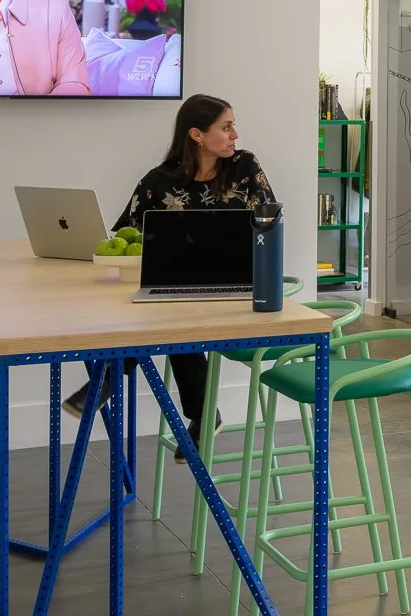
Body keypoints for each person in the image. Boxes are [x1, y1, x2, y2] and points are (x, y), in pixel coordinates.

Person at [62, 94, 277, 455]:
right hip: (178, 289)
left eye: (232, 126)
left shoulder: (244, 166)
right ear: (196, 134)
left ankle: (108, 381)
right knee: (169, 310)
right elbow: (125, 236)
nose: (234, 135)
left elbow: (270, 223)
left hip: (238, 284)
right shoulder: (157, 181)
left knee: (170, 315)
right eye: (225, 127)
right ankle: (205, 416)